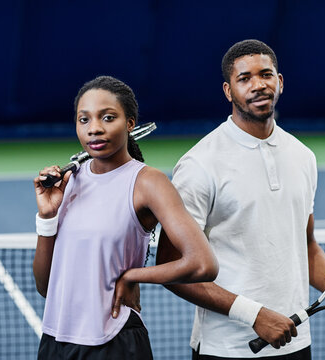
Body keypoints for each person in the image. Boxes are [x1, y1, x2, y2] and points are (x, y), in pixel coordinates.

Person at [156, 39, 325, 359]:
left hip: (295, 343)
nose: (258, 85)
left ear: (279, 82)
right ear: (228, 91)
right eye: (244, 78)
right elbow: (172, 267)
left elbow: (306, 248)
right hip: (226, 349)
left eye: (265, 74)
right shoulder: (200, 164)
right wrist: (253, 314)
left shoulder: (303, 157)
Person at [32, 75, 219, 360]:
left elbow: (202, 263)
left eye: (108, 118)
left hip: (114, 342)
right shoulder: (69, 182)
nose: (94, 129)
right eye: (84, 120)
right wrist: (47, 217)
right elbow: (46, 287)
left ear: (130, 123)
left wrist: (134, 275)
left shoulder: (148, 182)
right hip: (55, 341)